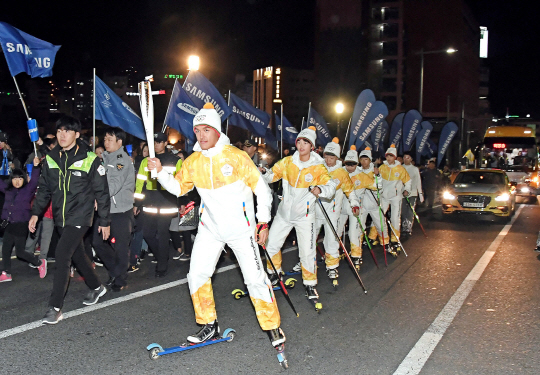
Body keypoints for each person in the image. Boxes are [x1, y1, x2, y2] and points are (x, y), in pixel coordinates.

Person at [147, 103, 285, 350]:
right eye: (197, 130)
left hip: (242, 231)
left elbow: (262, 191)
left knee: (255, 279)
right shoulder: (193, 161)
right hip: (210, 229)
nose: (201, 135)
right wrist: (160, 174)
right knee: (197, 275)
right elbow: (179, 188)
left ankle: (272, 325)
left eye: (206, 129)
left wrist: (263, 222)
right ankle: (209, 324)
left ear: (217, 131)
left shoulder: (237, 157)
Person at [29, 116, 111, 325]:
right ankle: (97, 287)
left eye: (67, 131)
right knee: (78, 255)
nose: (62, 135)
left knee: (63, 253)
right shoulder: (51, 158)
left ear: (76, 134)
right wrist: (36, 213)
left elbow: (102, 192)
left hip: (81, 216)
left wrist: (104, 220)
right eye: (59, 131)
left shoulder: (90, 158)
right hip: (60, 217)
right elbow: (44, 189)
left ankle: (55, 307)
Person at [260, 126, 336, 305]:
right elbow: (272, 176)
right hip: (284, 214)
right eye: (299, 142)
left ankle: (310, 284)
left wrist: (321, 189)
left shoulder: (318, 167)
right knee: (271, 245)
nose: (301, 145)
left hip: (305, 216)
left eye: (306, 142)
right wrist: (264, 173)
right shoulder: (288, 162)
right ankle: (274, 273)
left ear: (312, 146)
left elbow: (331, 186)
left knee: (307, 252)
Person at [92, 128, 135, 292]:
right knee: (97, 242)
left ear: (119, 142)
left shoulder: (121, 160)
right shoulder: (104, 159)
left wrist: (98, 198)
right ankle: (115, 271)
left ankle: (120, 278)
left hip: (121, 211)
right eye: (105, 139)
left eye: (110, 139)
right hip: (106, 209)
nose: (106, 142)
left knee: (121, 247)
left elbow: (113, 185)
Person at [134, 132, 182, 277]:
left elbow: (181, 183)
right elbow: (140, 183)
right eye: (154, 142)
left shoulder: (174, 160)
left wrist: (182, 202)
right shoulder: (145, 161)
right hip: (150, 201)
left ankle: (162, 265)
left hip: (167, 201)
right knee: (148, 234)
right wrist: (137, 203)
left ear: (165, 143)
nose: (156, 144)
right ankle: (162, 256)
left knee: (162, 234)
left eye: (159, 142)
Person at [312, 138, 359, 282]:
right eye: (326, 156)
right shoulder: (318, 168)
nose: (328, 160)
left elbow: (350, 191)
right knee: (309, 238)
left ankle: (332, 266)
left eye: (331, 157)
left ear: (337, 158)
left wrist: (354, 204)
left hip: (332, 213)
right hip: (316, 210)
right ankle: (308, 264)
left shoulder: (341, 173)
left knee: (331, 239)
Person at [0, 159, 47, 282]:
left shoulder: (27, 190)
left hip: (21, 223)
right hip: (9, 223)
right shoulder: (8, 190)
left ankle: (39, 262)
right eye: (15, 178)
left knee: (20, 252)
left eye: (20, 178)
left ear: (24, 179)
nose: (17, 181)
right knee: (6, 249)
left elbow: (35, 180)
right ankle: (6, 273)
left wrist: (36, 167)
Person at [341, 147, 387, 266]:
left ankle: (356, 255)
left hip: (357, 208)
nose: (350, 167)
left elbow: (378, 187)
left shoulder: (362, 175)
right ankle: (335, 253)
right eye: (347, 164)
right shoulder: (341, 172)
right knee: (336, 231)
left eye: (352, 164)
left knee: (354, 232)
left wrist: (378, 177)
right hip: (341, 208)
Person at [378, 144, 411, 253]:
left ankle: (395, 239)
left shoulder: (400, 169)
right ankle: (381, 237)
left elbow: (408, 181)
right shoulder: (382, 168)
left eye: (391, 156)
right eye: (387, 156)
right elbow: (378, 181)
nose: (389, 158)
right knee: (379, 216)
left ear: (395, 157)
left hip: (396, 197)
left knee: (395, 219)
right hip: (384, 196)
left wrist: (407, 190)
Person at [401, 152, 423, 238]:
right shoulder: (400, 168)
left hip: (413, 193)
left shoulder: (415, 169)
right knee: (403, 212)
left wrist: (420, 194)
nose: (406, 159)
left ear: (411, 159)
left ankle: (408, 229)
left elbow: (418, 182)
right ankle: (403, 227)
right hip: (402, 194)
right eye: (404, 157)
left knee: (410, 211)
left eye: (408, 157)